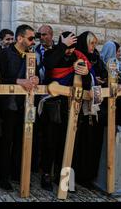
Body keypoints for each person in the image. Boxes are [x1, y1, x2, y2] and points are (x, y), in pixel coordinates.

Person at [40, 31, 90, 191]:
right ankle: (46, 174)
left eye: (72, 47)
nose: (69, 51)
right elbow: (49, 65)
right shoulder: (52, 53)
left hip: (72, 106)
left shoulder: (79, 57)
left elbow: (86, 82)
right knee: (49, 142)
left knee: (68, 143)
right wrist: (62, 46)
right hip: (53, 104)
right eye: (67, 46)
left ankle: (65, 178)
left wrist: (87, 73)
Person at [0, 24, 38, 190]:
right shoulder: (4, 54)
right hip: (8, 105)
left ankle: (16, 173)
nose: (33, 41)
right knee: (6, 141)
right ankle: (3, 177)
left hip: (26, 105)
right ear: (20, 38)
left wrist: (36, 79)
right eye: (30, 38)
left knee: (23, 139)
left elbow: (37, 74)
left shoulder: (32, 56)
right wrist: (17, 81)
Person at [72, 31, 107, 187]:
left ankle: (88, 176)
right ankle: (74, 177)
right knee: (78, 144)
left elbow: (102, 74)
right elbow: (80, 79)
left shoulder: (96, 58)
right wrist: (90, 78)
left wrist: (100, 79)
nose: (94, 46)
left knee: (92, 143)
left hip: (95, 107)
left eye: (95, 43)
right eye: (91, 43)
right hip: (79, 108)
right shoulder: (78, 57)